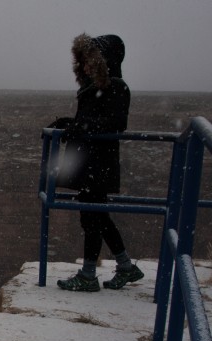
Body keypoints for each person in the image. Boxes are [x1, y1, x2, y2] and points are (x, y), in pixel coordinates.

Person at [51, 33, 144, 292]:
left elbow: (115, 123)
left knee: (93, 218)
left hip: (98, 163)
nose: (86, 65)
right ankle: (125, 266)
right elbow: (90, 121)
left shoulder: (116, 86)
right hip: (88, 163)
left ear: (105, 61)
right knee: (97, 216)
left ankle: (89, 275)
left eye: (91, 60)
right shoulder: (92, 88)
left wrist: (81, 125)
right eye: (84, 60)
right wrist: (67, 123)